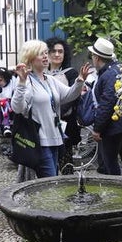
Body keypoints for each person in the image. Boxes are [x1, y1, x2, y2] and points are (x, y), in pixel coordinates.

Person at [12, 39, 88, 178]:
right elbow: (17, 108)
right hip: (40, 141)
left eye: (46, 53)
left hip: (55, 138)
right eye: (41, 54)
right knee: (50, 183)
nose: (46, 56)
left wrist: (80, 81)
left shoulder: (49, 79)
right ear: (30, 57)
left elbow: (69, 95)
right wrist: (22, 83)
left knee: (50, 182)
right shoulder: (26, 81)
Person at [86, 38, 122, 175]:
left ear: (97, 57)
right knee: (109, 161)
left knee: (110, 163)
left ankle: (116, 191)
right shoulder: (113, 70)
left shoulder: (109, 74)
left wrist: (97, 129)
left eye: (92, 56)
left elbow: (107, 104)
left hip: (111, 126)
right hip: (114, 124)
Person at [46, 36, 82, 170]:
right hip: (45, 125)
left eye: (60, 51)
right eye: (53, 51)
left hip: (65, 124)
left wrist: (55, 112)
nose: (57, 54)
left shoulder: (71, 73)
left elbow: (73, 97)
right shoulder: (41, 73)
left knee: (65, 163)